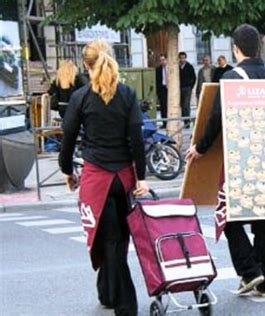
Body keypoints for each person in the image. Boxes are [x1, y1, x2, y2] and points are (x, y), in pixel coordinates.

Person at [186, 24, 265, 297]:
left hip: (241, 158)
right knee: (264, 220)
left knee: (229, 218)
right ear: (258, 47)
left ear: (236, 48)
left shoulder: (231, 77)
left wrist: (200, 148)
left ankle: (250, 271)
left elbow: (216, 119)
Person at [59, 39, 149, 316]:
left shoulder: (80, 97)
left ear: (86, 65)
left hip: (97, 177)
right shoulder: (127, 94)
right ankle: (108, 293)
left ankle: (125, 304)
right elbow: (137, 139)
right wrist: (142, 177)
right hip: (124, 178)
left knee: (106, 238)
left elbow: (68, 140)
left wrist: (67, 171)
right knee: (119, 239)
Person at [178, 51, 196, 128]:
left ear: (185, 58)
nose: (182, 59)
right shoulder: (177, 66)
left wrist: (190, 86)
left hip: (187, 88)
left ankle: (187, 122)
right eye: (181, 58)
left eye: (183, 58)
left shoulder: (189, 66)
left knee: (186, 105)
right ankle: (184, 119)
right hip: (179, 88)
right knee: (181, 105)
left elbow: (194, 77)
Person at [155, 54, 168, 129]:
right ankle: (164, 123)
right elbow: (157, 81)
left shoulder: (171, 68)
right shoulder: (158, 69)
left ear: (166, 60)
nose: (162, 62)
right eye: (160, 60)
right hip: (162, 89)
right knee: (163, 107)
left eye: (163, 60)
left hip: (170, 89)